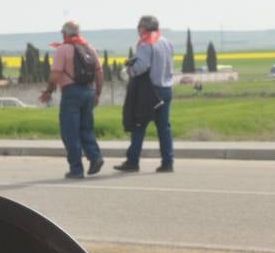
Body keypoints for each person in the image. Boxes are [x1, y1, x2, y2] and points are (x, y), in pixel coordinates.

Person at [40, 21, 104, 179]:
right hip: (89, 91)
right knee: (86, 128)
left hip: (71, 93)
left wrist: (48, 91)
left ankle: (76, 169)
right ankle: (95, 156)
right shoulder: (89, 48)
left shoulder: (62, 50)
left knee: (70, 132)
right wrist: (97, 93)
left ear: (64, 33)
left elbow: (55, 74)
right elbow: (99, 72)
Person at [115, 15, 175, 173]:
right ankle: (168, 162)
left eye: (139, 27)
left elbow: (143, 65)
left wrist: (129, 70)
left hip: (150, 90)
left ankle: (132, 161)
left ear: (143, 28)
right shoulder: (165, 41)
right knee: (164, 128)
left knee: (139, 125)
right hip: (166, 88)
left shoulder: (145, 42)